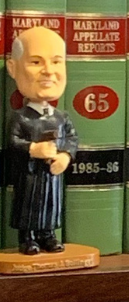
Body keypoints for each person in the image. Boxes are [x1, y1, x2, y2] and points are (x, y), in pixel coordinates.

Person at [5, 27, 78, 255]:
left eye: (57, 62)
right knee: (28, 206)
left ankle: (48, 235)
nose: (48, 71)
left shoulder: (61, 117)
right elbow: (13, 141)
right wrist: (33, 148)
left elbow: (72, 139)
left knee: (52, 205)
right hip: (29, 175)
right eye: (36, 63)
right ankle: (28, 237)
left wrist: (65, 156)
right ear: (12, 68)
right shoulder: (21, 117)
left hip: (52, 175)